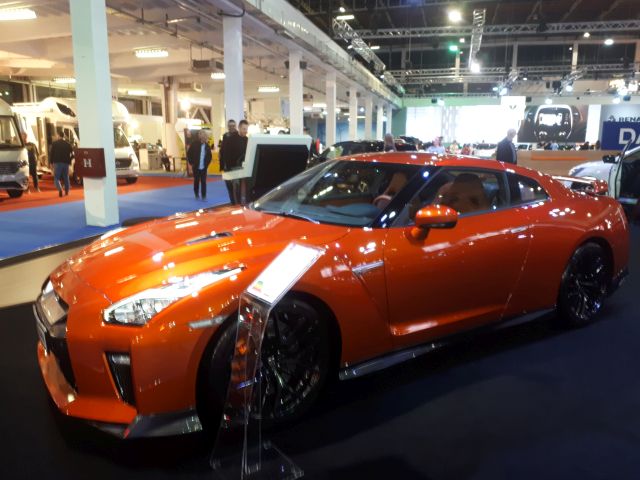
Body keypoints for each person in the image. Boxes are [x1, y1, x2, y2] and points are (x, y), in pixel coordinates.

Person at [220, 119, 249, 204]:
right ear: (239, 128)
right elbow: (226, 155)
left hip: (243, 169)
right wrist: (228, 170)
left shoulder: (247, 139)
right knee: (235, 190)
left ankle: (239, 204)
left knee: (242, 190)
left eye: (246, 129)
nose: (246, 131)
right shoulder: (230, 139)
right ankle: (235, 205)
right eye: (244, 129)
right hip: (233, 169)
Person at [187, 130, 212, 200]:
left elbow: (210, 156)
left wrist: (207, 164)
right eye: (202, 135)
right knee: (196, 180)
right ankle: (196, 194)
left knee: (203, 181)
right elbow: (189, 154)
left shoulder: (207, 146)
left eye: (205, 136)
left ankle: (204, 195)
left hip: (204, 167)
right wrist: (191, 163)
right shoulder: (194, 144)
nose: (204, 137)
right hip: (196, 166)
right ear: (200, 136)